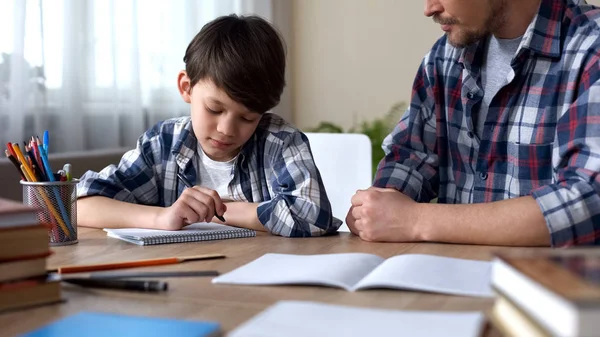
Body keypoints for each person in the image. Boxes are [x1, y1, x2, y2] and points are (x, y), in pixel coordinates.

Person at [346, 0, 600, 247]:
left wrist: (415, 220)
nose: (429, 8)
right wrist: (378, 207)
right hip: (447, 276)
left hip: (545, 284)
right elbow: (412, 156)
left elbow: (589, 201)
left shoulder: (591, 49)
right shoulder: (445, 56)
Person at [77, 14, 341, 237]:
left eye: (247, 117)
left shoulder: (279, 142)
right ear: (186, 87)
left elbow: (313, 216)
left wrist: (218, 214)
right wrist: (162, 218)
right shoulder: (163, 144)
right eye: (214, 109)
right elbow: (79, 204)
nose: (227, 129)